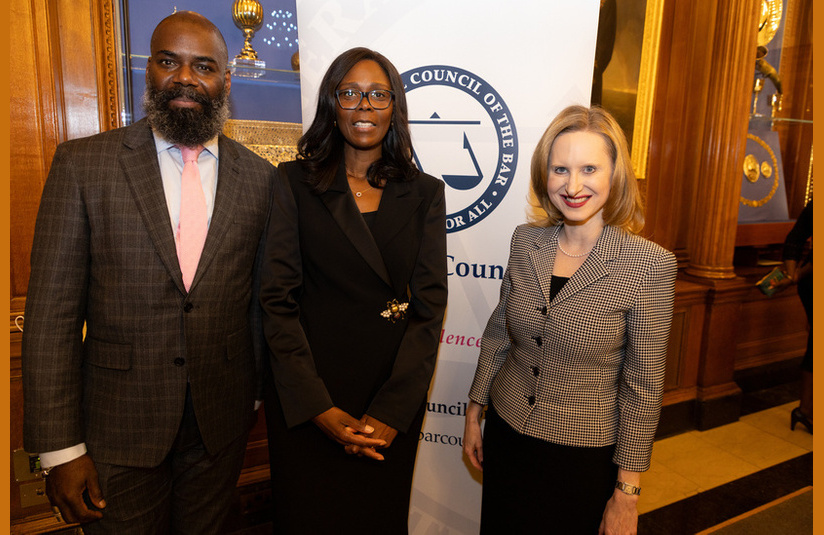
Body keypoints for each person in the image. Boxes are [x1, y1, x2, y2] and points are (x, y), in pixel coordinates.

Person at [22, 11, 276, 534]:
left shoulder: (261, 178)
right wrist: (60, 449)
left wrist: (252, 393)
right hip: (117, 432)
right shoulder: (83, 165)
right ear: (149, 74)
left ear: (224, 81)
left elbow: (257, 301)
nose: (185, 77)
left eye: (203, 66)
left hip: (219, 428)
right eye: (169, 62)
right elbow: (51, 318)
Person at [463, 105, 677, 534]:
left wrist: (626, 495)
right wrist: (474, 411)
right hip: (508, 435)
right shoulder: (526, 241)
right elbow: (498, 330)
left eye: (589, 168)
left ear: (615, 175)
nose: (573, 185)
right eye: (560, 169)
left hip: (582, 458)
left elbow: (643, 385)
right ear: (544, 175)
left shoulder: (650, 265)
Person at [260, 47, 448, 534]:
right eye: (350, 93)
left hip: (386, 398)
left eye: (378, 94)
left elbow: (429, 310)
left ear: (394, 106)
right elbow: (277, 301)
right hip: (309, 398)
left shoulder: (425, 192)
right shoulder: (293, 182)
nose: (364, 106)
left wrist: (391, 411)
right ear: (331, 103)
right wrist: (317, 406)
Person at [770, 200, 813, 433]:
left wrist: (793, 274)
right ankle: (806, 410)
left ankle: (805, 410)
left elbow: (794, 241)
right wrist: (794, 275)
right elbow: (795, 240)